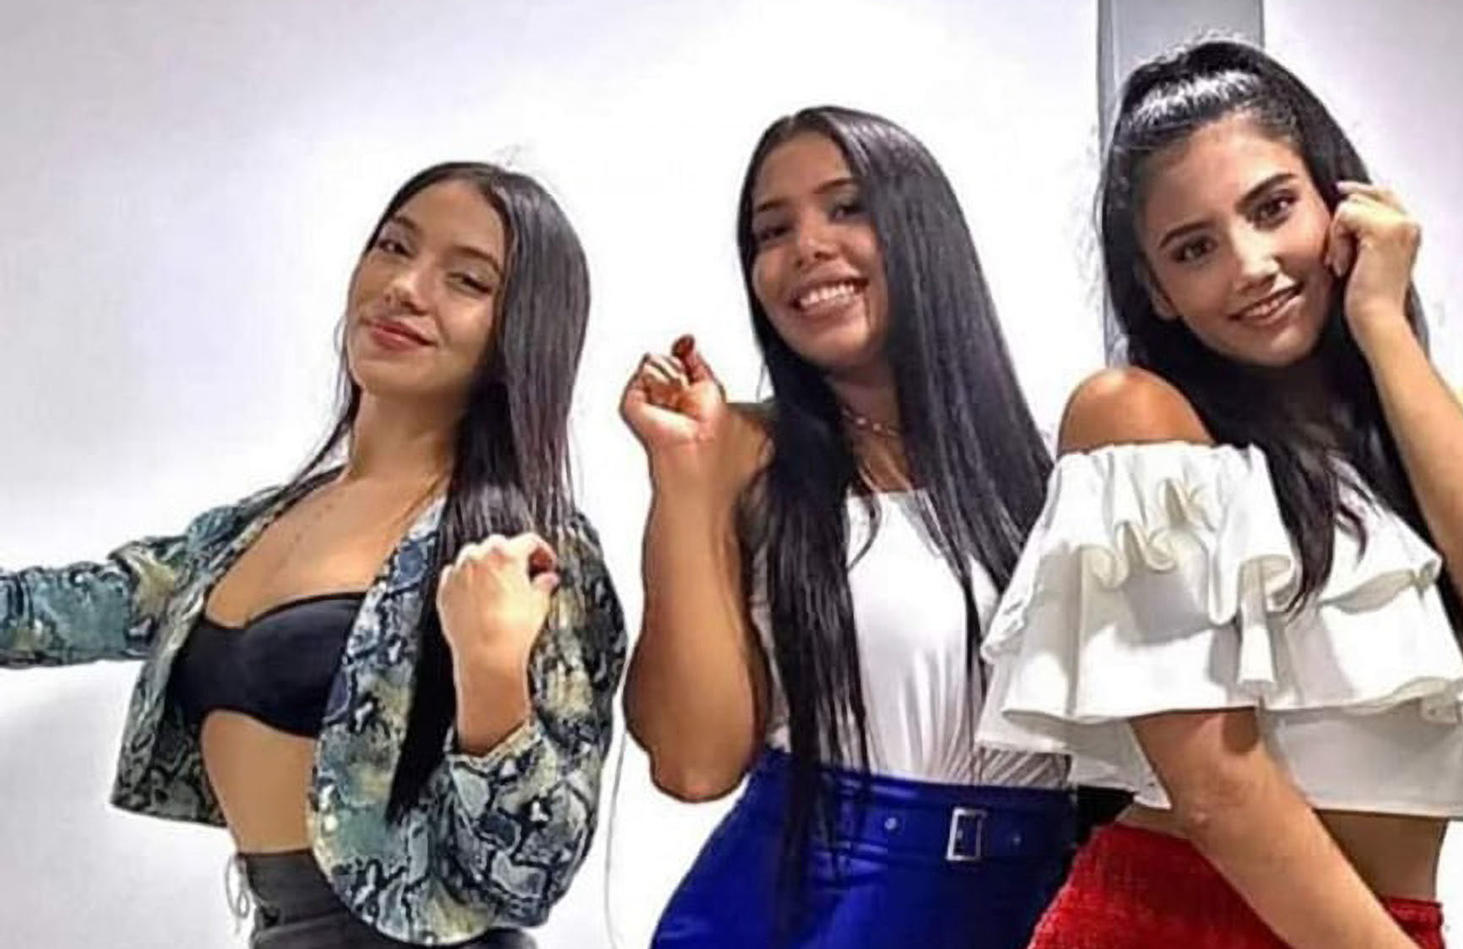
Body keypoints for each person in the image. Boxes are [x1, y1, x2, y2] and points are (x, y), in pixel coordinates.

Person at [977, 40, 1463, 948]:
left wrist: (1382, 323)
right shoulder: (1139, 420)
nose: (1249, 264)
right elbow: (1217, 789)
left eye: (1273, 207)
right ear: (1158, 292)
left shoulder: (1448, 436)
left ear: (1342, 203)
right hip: (1172, 922)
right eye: (1194, 248)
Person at [1, 161, 626, 947]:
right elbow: (41, 613)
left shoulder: (523, 549)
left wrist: (491, 673)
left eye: (467, 281)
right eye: (394, 247)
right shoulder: (245, 532)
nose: (405, 287)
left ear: (522, 332)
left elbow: (530, 875)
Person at [620, 106, 1075, 948]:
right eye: (772, 230)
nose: (806, 247)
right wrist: (683, 479)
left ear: (922, 228)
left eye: (846, 206)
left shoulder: (1056, 467)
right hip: (803, 901)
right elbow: (694, 763)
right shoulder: (744, 455)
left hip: (1031, 898)